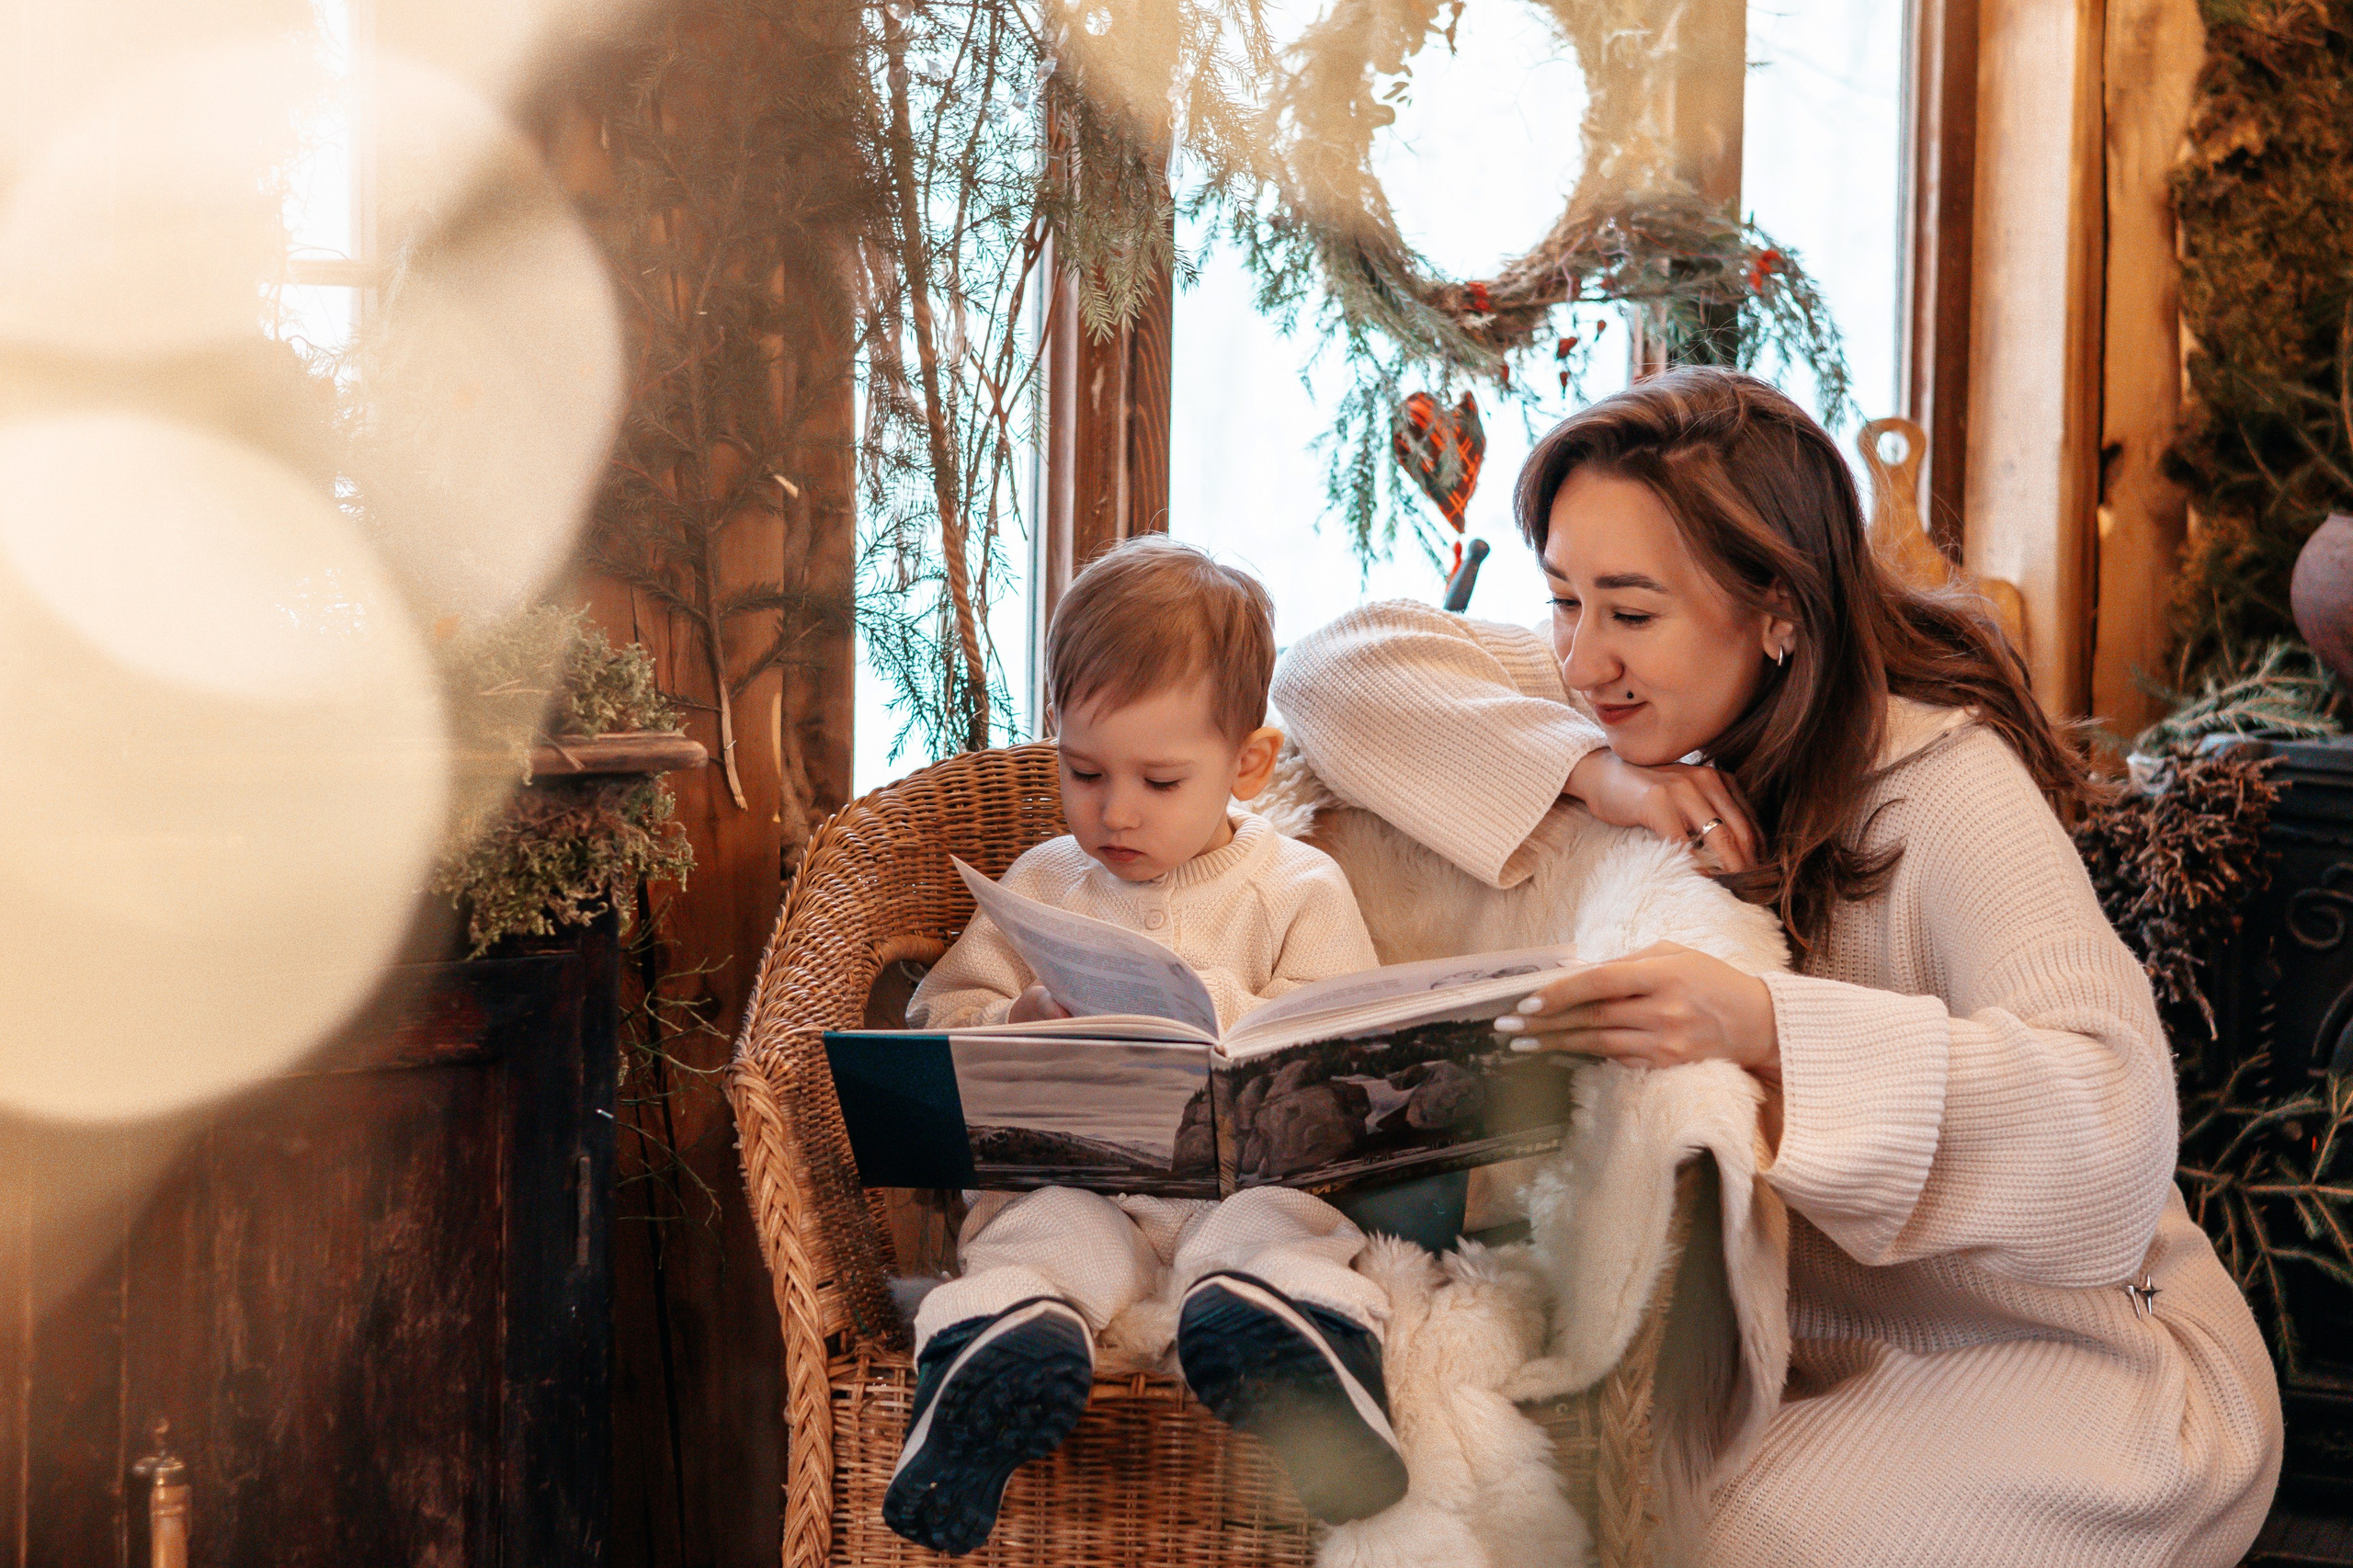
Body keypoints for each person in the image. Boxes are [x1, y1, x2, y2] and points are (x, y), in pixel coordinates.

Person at [1272, 368, 2282, 1566]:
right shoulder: (1640, 705)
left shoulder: (1950, 791)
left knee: (1720, 1544)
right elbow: (1330, 670)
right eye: (1560, 601)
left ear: (1780, 611)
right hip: (1819, 1350)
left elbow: (2113, 1121)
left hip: (2086, 1358)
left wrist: (1765, 1024)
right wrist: (1599, 777)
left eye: (1628, 614)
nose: (1585, 659)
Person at [886, 536, 1405, 1557]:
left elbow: (1343, 1051)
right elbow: (935, 1028)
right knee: (1040, 1237)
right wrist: (1014, 1019)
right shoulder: (1039, 883)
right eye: (1083, 772)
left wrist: (1217, 1004)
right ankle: (992, 1353)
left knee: (1274, 1235)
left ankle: (1289, 1342)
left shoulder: (1297, 887)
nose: (1113, 810)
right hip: (1076, 1187)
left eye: (1160, 780)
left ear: (1245, 762)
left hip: (1240, 1193)